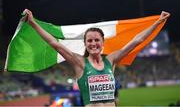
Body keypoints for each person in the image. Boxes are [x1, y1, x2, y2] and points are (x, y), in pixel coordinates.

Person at [23, 9, 170, 107]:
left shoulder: (110, 60)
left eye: (97, 40)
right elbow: (54, 43)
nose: (93, 43)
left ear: (103, 42)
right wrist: (33, 23)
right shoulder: (80, 63)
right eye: (90, 41)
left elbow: (136, 41)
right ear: (85, 44)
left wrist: (158, 22)